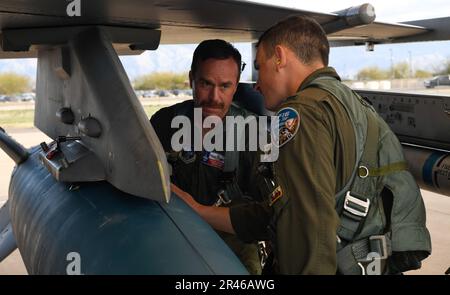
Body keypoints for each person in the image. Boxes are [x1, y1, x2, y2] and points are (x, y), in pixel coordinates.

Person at [174, 16, 431, 275]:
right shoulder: (351, 105)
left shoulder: (302, 114)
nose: (258, 85)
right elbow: (277, 213)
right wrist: (199, 211)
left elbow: (309, 228)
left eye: (259, 67)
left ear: (279, 57)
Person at [150, 39, 271, 275]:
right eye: (206, 83)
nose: (214, 97)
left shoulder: (254, 135)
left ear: (236, 87)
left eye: (225, 86)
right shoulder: (164, 123)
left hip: (231, 256)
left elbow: (268, 215)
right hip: (172, 244)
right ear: (191, 80)